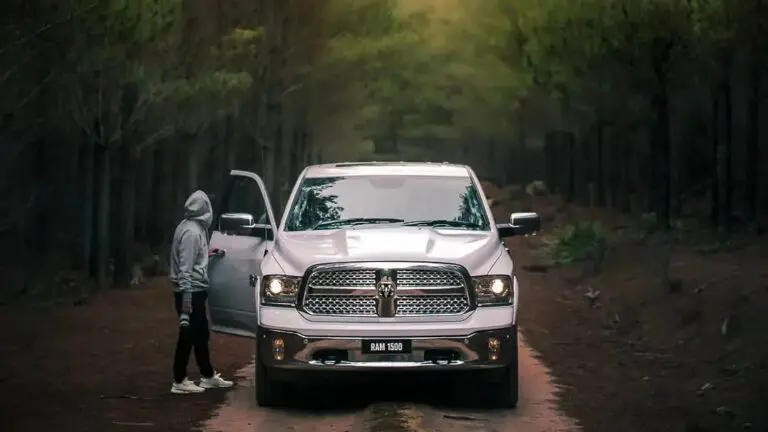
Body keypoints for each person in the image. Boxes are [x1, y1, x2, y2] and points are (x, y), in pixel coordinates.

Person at [168, 190, 233, 394]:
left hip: (194, 290)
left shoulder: (191, 228)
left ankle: (207, 375)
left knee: (200, 334)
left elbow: (192, 259)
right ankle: (179, 380)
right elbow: (185, 269)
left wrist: (208, 254)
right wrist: (187, 299)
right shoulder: (192, 232)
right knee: (187, 335)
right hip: (190, 292)